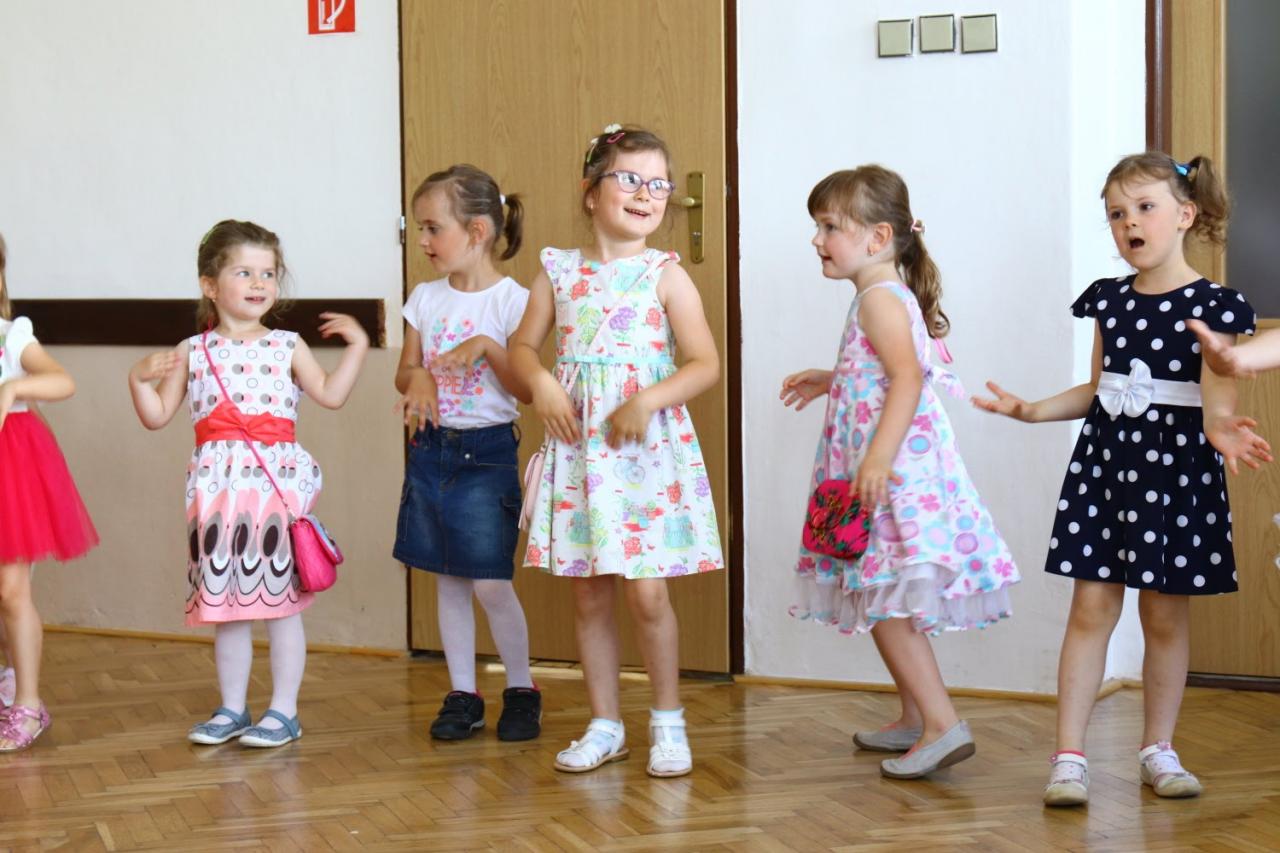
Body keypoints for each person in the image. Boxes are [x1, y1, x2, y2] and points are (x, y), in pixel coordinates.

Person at [974, 153, 1270, 805]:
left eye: (1144, 207)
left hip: (1177, 475)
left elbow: (1217, 400)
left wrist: (1223, 430)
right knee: (1090, 607)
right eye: (1116, 213)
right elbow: (1100, 388)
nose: (1129, 222)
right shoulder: (1109, 299)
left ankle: (1158, 749)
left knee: (1163, 614)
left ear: (1185, 215)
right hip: (1106, 470)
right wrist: (1031, 410)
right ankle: (1069, 757)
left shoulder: (1215, 306)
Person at [783, 166, 1018, 779]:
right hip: (894, 470)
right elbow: (887, 371)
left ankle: (943, 725)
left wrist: (878, 458)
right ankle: (916, 716)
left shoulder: (879, 300)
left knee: (884, 598)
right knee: (890, 596)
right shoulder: (884, 294)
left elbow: (908, 379)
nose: (817, 240)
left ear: (878, 236)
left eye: (829, 227)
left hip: (891, 477)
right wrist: (833, 379)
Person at [509, 125, 724, 777]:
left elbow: (704, 362)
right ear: (590, 192)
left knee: (648, 596)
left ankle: (667, 722)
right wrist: (542, 382)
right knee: (590, 595)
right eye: (630, 179)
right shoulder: (557, 271)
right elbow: (522, 348)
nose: (647, 193)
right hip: (581, 455)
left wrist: (646, 400)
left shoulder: (665, 275)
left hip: (644, 459)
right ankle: (606, 724)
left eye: (658, 184)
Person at [128, 220, 368, 747]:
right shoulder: (192, 350)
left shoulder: (287, 345)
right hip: (217, 496)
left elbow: (330, 394)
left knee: (280, 606)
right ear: (209, 285)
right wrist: (138, 380)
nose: (260, 283)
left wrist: (357, 345)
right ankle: (233, 707)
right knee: (227, 610)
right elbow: (157, 415)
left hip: (273, 493)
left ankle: (284, 711)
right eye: (244, 272)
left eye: (269, 273)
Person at [392, 165, 541, 742]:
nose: (423, 241)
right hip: (431, 451)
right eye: (420, 229)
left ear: (477, 231)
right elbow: (406, 370)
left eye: (433, 228)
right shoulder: (425, 299)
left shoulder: (514, 302)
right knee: (448, 580)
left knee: (490, 582)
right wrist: (419, 382)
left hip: (487, 456)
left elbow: (526, 389)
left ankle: (521, 688)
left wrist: (485, 347)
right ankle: (463, 693)